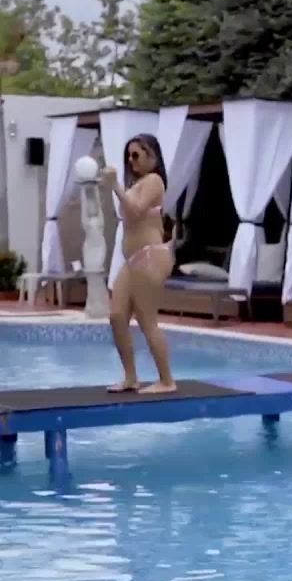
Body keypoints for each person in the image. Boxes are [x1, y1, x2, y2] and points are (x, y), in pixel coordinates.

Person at [102, 133, 177, 395]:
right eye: (128, 156)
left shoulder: (154, 181)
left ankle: (167, 380)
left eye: (136, 155)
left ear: (152, 156)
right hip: (133, 259)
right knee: (117, 316)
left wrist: (115, 186)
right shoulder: (137, 184)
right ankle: (131, 378)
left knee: (147, 320)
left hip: (150, 256)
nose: (131, 161)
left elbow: (136, 210)